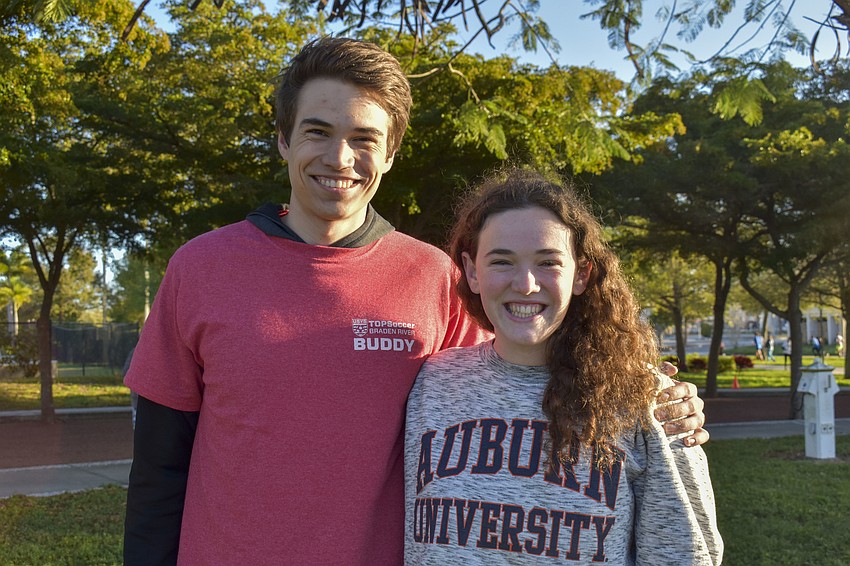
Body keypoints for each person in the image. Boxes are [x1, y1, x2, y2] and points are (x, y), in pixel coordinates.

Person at [123, 37, 709, 565]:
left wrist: (655, 397)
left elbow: (519, 379)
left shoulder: (434, 276)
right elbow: (157, 469)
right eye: (318, 132)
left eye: (364, 139)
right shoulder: (199, 268)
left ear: (390, 152)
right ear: (283, 138)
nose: (340, 158)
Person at [405, 168, 722, 564]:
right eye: (501, 261)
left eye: (547, 262)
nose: (526, 284)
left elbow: (685, 554)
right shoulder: (432, 383)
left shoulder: (648, 400)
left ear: (581, 274)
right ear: (472, 272)